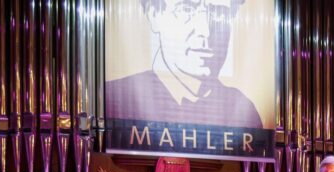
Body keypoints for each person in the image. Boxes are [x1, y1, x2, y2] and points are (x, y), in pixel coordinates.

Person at [106, 0, 262, 128]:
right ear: (154, 14)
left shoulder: (244, 111)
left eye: (218, 13)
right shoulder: (113, 98)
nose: (205, 31)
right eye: (186, 10)